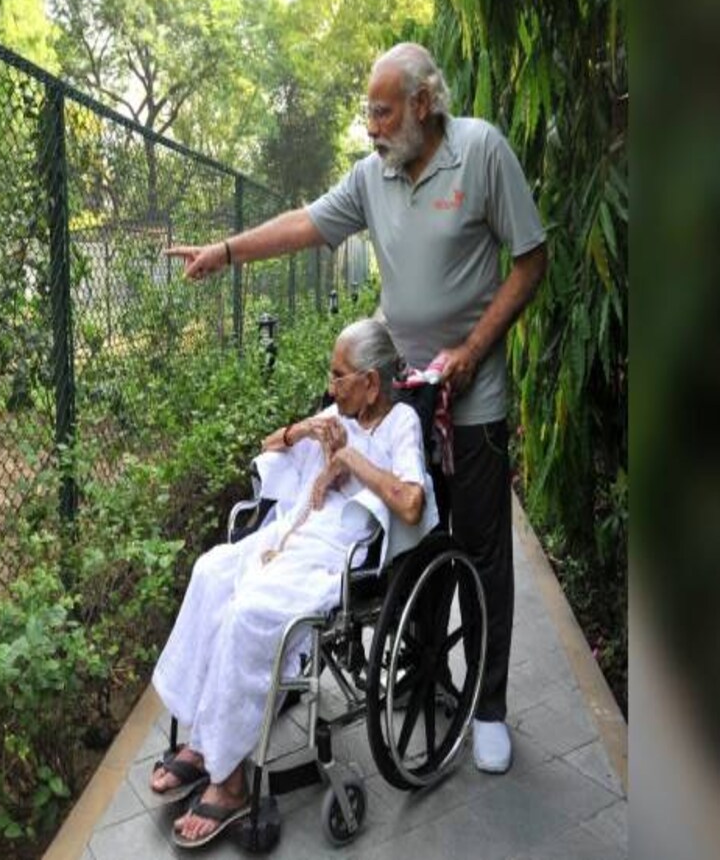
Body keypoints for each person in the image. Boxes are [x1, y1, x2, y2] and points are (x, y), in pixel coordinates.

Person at [165, 42, 546, 777]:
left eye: (381, 110)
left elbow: (531, 261)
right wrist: (226, 251)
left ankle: (489, 704)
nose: (370, 126)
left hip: (473, 397)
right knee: (414, 543)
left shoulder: (481, 153)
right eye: (368, 112)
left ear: (423, 103)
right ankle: (429, 675)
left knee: (481, 550)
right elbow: (305, 224)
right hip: (405, 394)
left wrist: (470, 352)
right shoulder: (373, 178)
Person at [150, 318, 437, 849]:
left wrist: (353, 461)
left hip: (334, 555)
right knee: (211, 571)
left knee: (245, 613)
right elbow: (269, 444)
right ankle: (200, 740)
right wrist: (303, 431)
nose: (331, 387)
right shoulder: (335, 414)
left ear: (371, 382)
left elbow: (412, 502)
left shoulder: (400, 425)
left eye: (339, 376)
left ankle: (231, 782)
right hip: (291, 531)